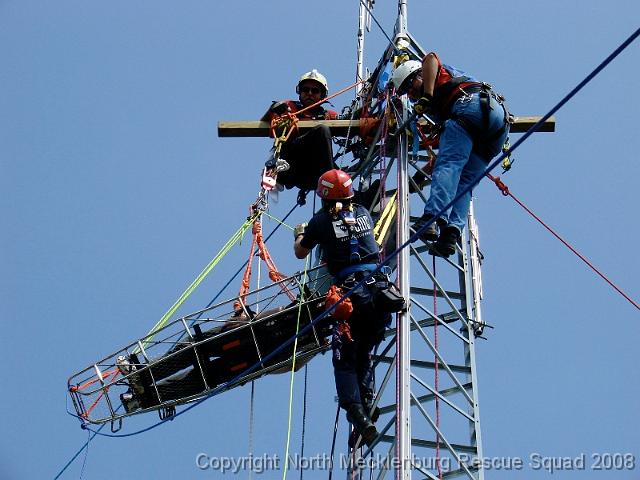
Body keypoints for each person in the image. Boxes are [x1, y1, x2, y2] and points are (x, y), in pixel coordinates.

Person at [293, 169, 391, 447]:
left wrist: (300, 234)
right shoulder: (361, 211)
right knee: (363, 355)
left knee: (345, 361)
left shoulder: (321, 221)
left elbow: (301, 252)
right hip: (380, 295)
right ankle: (367, 411)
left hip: (352, 295)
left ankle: (359, 416)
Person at [391, 53, 511, 257]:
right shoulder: (440, 105)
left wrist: (427, 95)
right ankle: (450, 235)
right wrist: (419, 177)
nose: (411, 95)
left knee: (449, 166)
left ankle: (431, 217)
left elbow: (430, 58)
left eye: (410, 87)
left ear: (418, 75)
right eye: (407, 93)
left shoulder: (433, 74)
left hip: (472, 107)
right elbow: (450, 155)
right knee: (464, 183)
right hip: (496, 127)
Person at [262, 69, 339, 192]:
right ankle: (330, 181)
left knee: (344, 180)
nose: (309, 93)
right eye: (305, 89)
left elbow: (349, 125)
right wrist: (274, 110)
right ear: (299, 92)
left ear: (322, 95)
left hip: (315, 172)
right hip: (292, 166)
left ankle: (343, 193)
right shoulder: (289, 107)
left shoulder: (328, 115)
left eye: (315, 91)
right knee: (322, 130)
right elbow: (267, 124)